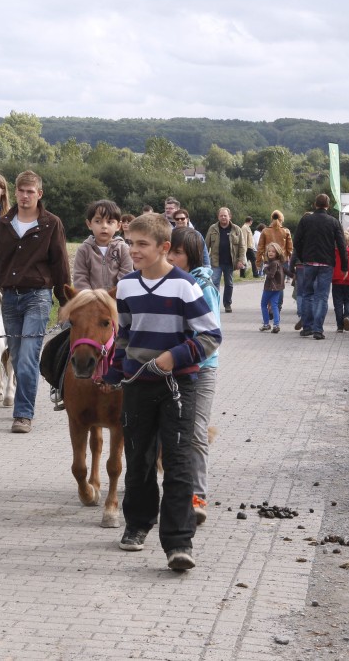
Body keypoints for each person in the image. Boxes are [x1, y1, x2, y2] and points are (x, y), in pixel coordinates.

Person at [99, 213, 221, 571]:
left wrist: (174, 356)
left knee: (178, 461)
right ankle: (137, 524)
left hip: (177, 386)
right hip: (138, 385)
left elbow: (211, 336)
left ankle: (179, 542)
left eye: (142, 244)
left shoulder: (185, 286)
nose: (133, 250)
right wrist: (114, 372)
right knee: (138, 459)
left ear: (164, 247)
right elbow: (124, 336)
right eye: (130, 243)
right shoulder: (127, 287)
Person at [0, 170, 70, 433]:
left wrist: (65, 301)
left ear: (39, 194)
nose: (25, 196)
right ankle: (22, 403)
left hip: (38, 296)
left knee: (27, 358)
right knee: (16, 355)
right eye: (21, 191)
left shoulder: (51, 224)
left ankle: (23, 414)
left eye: (30, 191)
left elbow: (60, 263)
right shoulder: (3, 225)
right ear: (15, 192)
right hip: (10, 298)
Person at [44, 200, 133, 411]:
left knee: (132, 339)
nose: (104, 226)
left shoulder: (123, 249)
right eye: (98, 221)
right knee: (66, 339)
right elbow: (80, 277)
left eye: (109, 222)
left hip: (115, 304)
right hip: (87, 304)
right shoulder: (84, 249)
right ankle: (60, 384)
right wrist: (91, 299)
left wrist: (108, 298)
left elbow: (126, 276)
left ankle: (132, 384)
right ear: (89, 224)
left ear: (118, 225)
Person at [166, 226, 220, 526]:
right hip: (167, 368)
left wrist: (178, 355)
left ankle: (197, 496)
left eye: (178, 253)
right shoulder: (163, 282)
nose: (171, 258)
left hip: (201, 369)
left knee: (196, 431)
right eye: (169, 251)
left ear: (192, 255)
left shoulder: (204, 286)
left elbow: (210, 336)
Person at [292, 194, 347, 339]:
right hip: (326, 263)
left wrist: (303, 256)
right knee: (322, 297)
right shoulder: (334, 222)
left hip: (309, 263)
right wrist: (344, 266)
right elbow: (342, 245)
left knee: (307, 294)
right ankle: (318, 330)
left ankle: (307, 327)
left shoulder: (306, 220)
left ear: (315, 204)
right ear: (328, 205)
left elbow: (296, 241)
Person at [205, 207, 246, 313]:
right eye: (221, 215)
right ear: (218, 217)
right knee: (214, 283)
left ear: (230, 216)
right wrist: (204, 261)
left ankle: (227, 304)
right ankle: (215, 304)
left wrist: (241, 260)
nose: (223, 217)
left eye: (225, 215)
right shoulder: (212, 228)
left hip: (230, 262)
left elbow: (242, 246)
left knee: (229, 284)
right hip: (216, 262)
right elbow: (206, 245)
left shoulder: (237, 229)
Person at [259, 242, 285, 333]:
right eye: (269, 251)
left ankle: (266, 324)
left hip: (270, 287)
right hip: (277, 288)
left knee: (263, 304)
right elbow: (285, 271)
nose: (270, 253)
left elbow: (271, 276)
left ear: (277, 253)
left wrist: (265, 269)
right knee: (274, 305)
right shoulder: (279, 262)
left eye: (273, 251)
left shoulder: (273, 263)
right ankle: (276, 325)